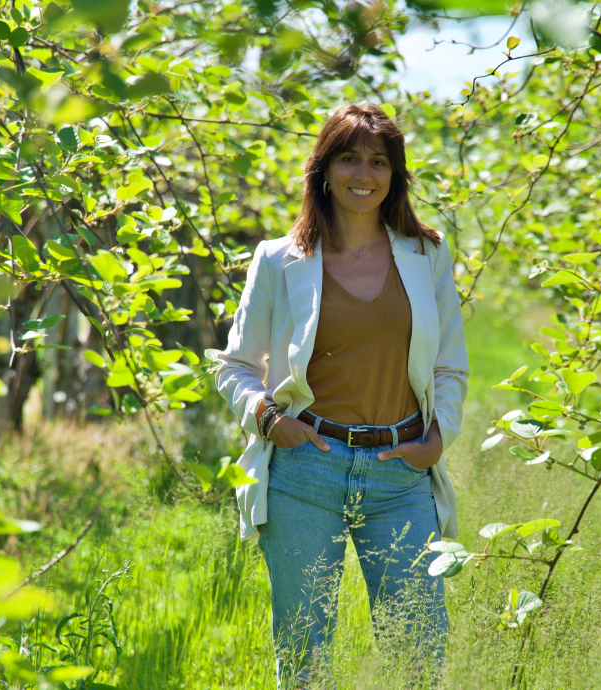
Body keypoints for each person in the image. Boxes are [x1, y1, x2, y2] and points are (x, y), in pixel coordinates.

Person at [213, 102, 469, 687]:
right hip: (307, 470)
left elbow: (451, 364)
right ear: (324, 169)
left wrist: (437, 439)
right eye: (349, 158)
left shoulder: (427, 253)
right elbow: (234, 365)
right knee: (305, 658)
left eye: (379, 161)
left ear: (395, 174)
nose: (364, 174)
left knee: (419, 654)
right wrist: (268, 415)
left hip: (399, 474)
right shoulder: (279, 260)